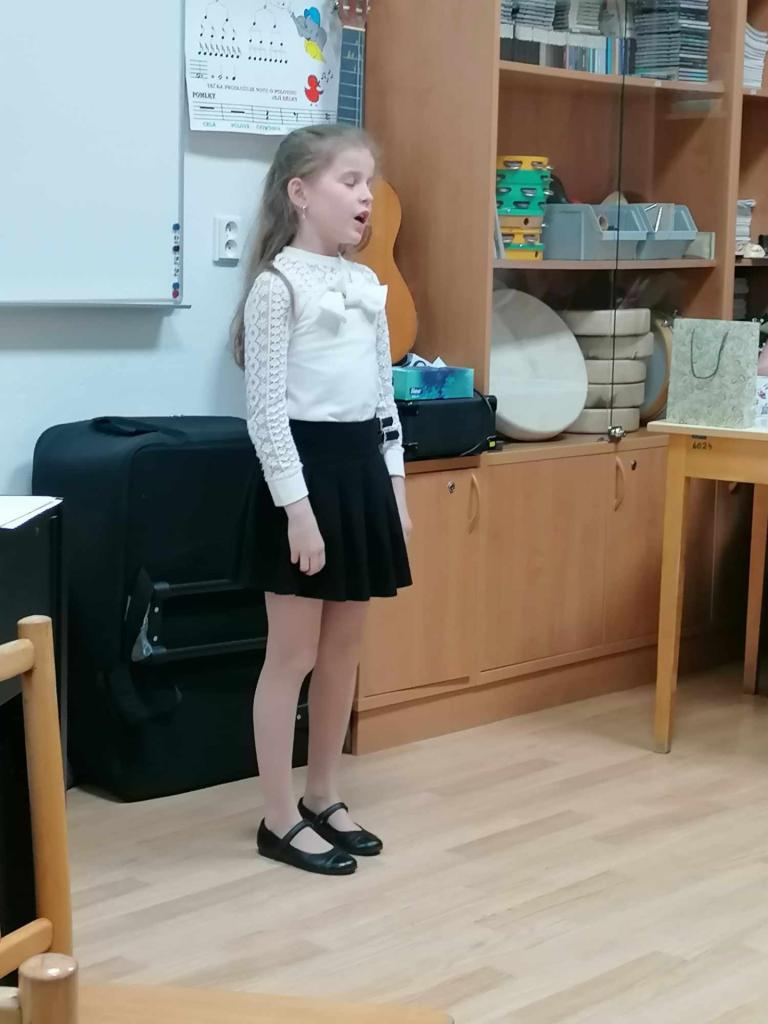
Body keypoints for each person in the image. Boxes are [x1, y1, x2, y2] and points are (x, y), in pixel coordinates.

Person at [232, 124, 412, 876]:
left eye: (369, 181)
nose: (366, 196)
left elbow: (383, 401)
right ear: (300, 193)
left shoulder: (365, 285)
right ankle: (278, 818)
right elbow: (266, 417)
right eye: (349, 180)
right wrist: (298, 512)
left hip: (359, 474)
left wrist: (395, 487)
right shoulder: (277, 288)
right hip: (300, 484)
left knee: (343, 650)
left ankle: (323, 794)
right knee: (294, 654)